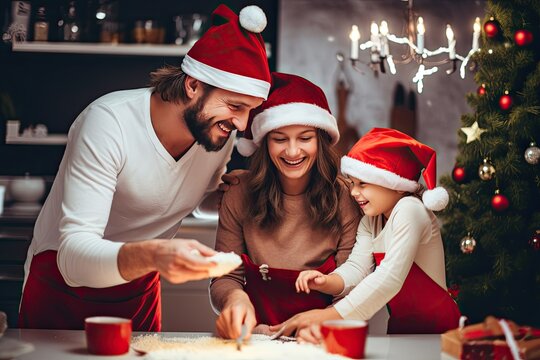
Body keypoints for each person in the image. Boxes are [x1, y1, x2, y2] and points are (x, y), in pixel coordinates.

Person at [18, 4, 271, 331]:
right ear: (193, 85)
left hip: (138, 289)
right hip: (63, 288)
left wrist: (229, 197)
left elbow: (188, 199)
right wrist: (154, 255)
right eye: (235, 106)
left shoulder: (214, 134)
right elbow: (73, 260)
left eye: (249, 110)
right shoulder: (109, 122)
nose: (240, 123)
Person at [210, 72, 361, 341]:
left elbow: (354, 285)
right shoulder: (238, 194)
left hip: (324, 339)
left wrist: (324, 324)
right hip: (255, 339)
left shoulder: (345, 197)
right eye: (280, 139)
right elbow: (224, 277)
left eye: (305, 138)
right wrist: (235, 302)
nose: (292, 152)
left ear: (321, 141)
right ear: (264, 143)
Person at [292, 128, 461, 340]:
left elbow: (390, 277)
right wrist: (326, 281)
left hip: (440, 331)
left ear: (398, 185)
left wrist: (329, 316)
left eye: (363, 183)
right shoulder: (369, 222)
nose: (353, 192)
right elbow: (357, 269)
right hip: (401, 328)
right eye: (352, 183)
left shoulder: (410, 209)